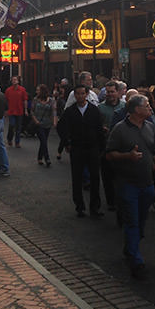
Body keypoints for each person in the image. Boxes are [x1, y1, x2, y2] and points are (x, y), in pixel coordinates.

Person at [106, 94, 155, 278]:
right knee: (132, 221)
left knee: (141, 220)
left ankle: (130, 247)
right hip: (127, 184)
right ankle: (136, 259)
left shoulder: (150, 126)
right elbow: (109, 155)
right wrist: (128, 156)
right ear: (136, 110)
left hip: (147, 183)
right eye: (147, 105)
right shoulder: (119, 129)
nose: (150, 107)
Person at [57, 84, 106, 218]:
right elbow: (61, 127)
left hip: (92, 148)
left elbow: (99, 129)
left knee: (95, 177)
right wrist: (66, 142)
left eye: (82, 93)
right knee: (77, 178)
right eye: (77, 94)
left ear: (87, 94)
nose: (80, 96)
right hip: (77, 148)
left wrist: (101, 147)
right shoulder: (70, 111)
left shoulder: (94, 110)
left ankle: (94, 207)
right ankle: (79, 206)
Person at [98, 81, 125, 210]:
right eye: (107, 92)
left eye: (112, 92)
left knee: (121, 175)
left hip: (122, 147)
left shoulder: (125, 107)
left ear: (118, 92)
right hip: (106, 146)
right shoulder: (100, 108)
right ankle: (111, 201)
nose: (109, 94)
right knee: (107, 176)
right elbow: (96, 126)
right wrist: (101, 129)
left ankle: (121, 198)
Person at [32, 84, 57, 167]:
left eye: (38, 90)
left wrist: (54, 121)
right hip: (38, 124)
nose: (36, 91)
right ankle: (47, 158)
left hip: (47, 123)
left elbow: (54, 112)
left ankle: (39, 157)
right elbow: (32, 111)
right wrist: (35, 120)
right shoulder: (35, 100)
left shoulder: (51, 100)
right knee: (43, 140)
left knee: (44, 141)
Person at [5, 76, 28, 148]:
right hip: (11, 111)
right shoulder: (8, 90)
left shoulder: (22, 90)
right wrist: (5, 110)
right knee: (11, 125)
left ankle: (17, 142)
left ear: (18, 81)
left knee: (18, 127)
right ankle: (9, 138)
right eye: (13, 80)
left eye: (15, 80)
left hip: (19, 110)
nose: (14, 81)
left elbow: (25, 100)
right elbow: (6, 101)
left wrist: (26, 110)